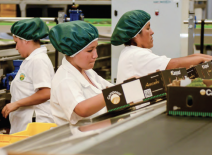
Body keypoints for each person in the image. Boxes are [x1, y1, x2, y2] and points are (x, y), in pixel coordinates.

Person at [111, 10, 212, 84]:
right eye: (148, 28)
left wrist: (197, 56)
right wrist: (202, 58)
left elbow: (170, 61)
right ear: (136, 35)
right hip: (136, 111)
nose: (152, 32)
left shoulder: (131, 52)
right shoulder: (136, 55)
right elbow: (173, 65)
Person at [49, 21, 113, 126]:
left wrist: (127, 85)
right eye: (90, 50)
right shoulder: (65, 79)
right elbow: (82, 109)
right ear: (72, 51)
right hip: (78, 139)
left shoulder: (88, 72)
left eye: (95, 48)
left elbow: (109, 88)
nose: (95, 55)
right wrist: (115, 92)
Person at [2, 18, 55, 134]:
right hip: (27, 125)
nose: (16, 47)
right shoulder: (31, 60)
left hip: (34, 125)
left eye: (16, 42)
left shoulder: (38, 60)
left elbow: (46, 92)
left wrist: (16, 104)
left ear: (26, 40)